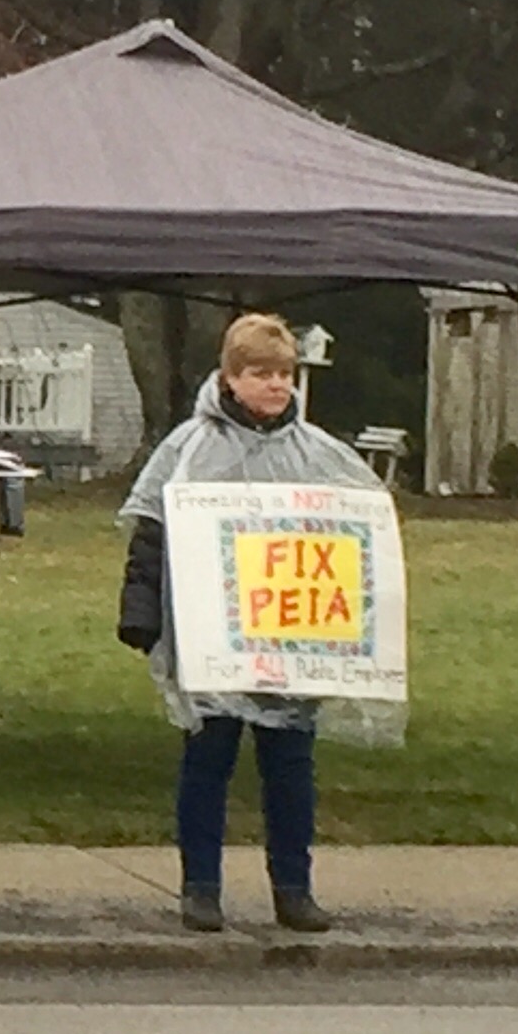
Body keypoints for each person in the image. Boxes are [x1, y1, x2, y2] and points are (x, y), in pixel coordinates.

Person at [117, 314, 389, 936]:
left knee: (290, 764)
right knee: (208, 758)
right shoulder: (188, 449)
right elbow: (152, 534)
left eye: (285, 374)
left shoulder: (318, 453)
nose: (275, 385)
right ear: (230, 376)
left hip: (292, 634)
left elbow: (355, 536)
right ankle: (200, 888)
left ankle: (293, 888)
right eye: (261, 373)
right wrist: (140, 611)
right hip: (213, 637)